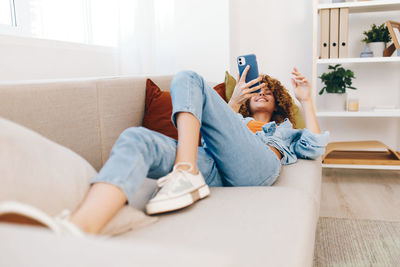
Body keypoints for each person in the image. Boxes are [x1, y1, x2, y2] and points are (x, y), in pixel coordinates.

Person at [0, 66, 329, 236]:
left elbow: (315, 146)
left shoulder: (284, 128)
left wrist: (306, 98)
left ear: (278, 103)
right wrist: (233, 103)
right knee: (135, 137)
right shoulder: (234, 120)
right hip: (214, 163)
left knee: (189, 76)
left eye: (268, 91)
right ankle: (77, 229)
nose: (261, 92)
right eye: (256, 88)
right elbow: (215, 130)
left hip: (257, 166)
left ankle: (183, 173)